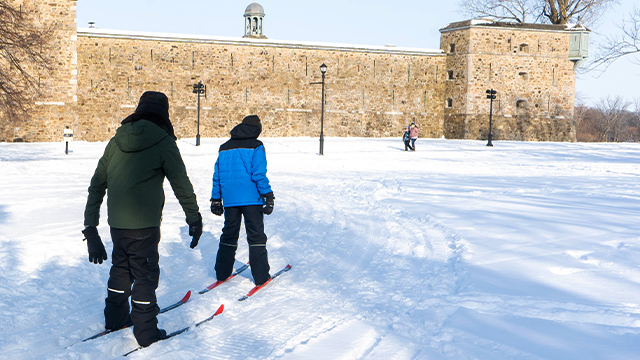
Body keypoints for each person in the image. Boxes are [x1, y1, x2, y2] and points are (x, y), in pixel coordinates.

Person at [82, 91, 203, 348]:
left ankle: (115, 318)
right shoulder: (163, 141)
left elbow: (97, 184)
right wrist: (194, 217)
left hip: (118, 225)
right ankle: (146, 332)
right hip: (145, 225)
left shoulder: (116, 141)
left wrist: (91, 226)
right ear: (164, 114)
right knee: (145, 275)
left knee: (121, 269)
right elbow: (180, 183)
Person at [210, 115, 274, 287]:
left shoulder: (224, 148)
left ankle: (222, 273)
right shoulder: (257, 146)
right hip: (251, 198)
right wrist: (268, 194)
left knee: (229, 233)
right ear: (257, 129)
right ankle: (261, 276)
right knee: (256, 235)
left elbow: (218, 175)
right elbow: (258, 173)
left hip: (230, 199)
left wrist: (216, 198)